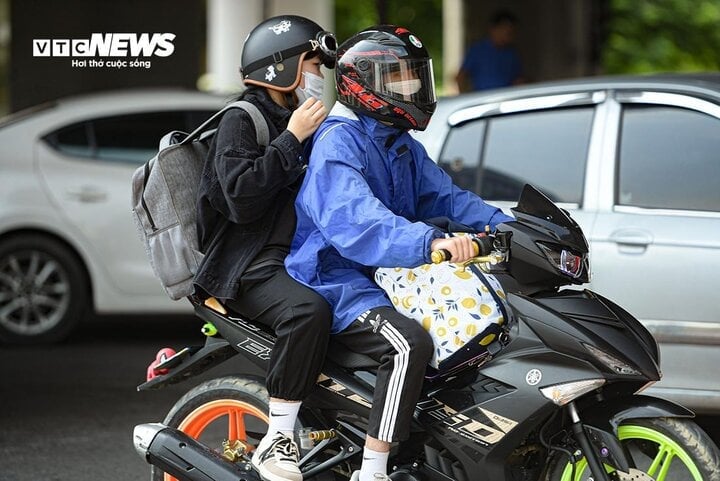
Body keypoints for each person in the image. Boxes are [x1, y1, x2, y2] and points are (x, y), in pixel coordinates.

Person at [285, 25, 514, 481]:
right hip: (338, 278)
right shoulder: (339, 141)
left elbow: (448, 199)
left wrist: (508, 226)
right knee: (410, 345)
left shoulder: (401, 145)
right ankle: (372, 470)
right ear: (362, 83)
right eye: (399, 79)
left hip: (389, 274)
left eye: (414, 77)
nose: (412, 88)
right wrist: (430, 243)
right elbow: (358, 221)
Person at [193, 15, 337, 481]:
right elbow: (240, 198)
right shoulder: (243, 118)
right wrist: (292, 138)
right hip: (248, 265)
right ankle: (276, 441)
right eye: (312, 63)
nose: (318, 75)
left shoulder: (300, 118)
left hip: (300, 254)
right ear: (283, 66)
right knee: (308, 312)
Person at [455, 10, 523, 92]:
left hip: (505, 99)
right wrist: (465, 97)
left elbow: (517, 80)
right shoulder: (477, 50)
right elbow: (461, 77)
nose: (508, 35)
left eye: (511, 32)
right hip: (481, 99)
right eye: (505, 30)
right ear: (493, 29)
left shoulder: (512, 54)